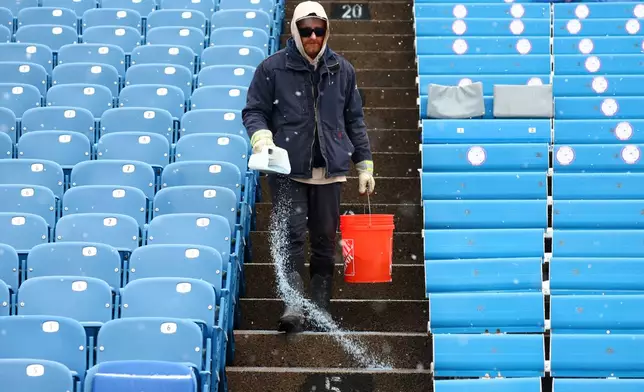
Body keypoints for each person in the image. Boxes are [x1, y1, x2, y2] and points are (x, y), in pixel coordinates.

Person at [242, 0, 375, 333]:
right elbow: (253, 110)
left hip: (330, 168)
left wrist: (365, 164)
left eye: (319, 29)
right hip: (288, 168)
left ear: (326, 30)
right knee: (292, 237)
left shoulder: (342, 69)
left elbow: (354, 119)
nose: (313, 36)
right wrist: (261, 137)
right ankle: (293, 304)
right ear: (296, 31)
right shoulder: (272, 68)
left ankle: (319, 306)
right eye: (306, 29)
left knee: (325, 240)